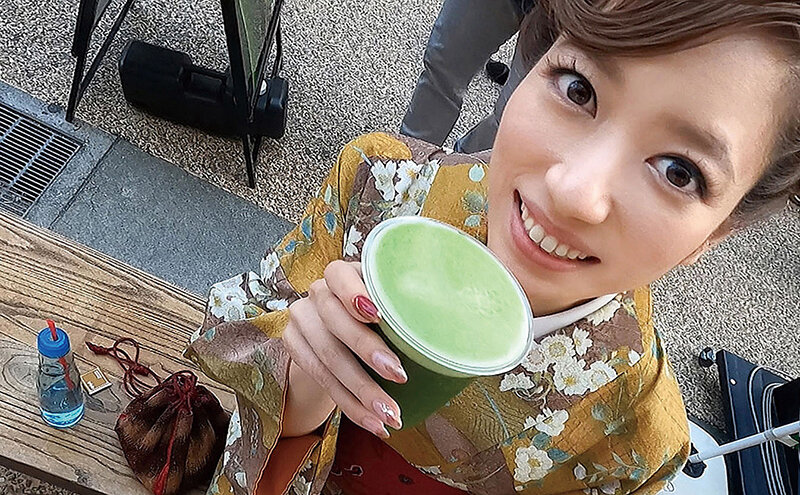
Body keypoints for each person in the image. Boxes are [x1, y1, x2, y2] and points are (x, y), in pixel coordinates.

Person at [186, 2, 800, 494]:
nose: (574, 193)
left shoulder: (637, 432)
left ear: (715, 233)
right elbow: (225, 328)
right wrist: (300, 384)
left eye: (678, 171)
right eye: (579, 88)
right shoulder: (378, 186)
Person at [400, 0, 533, 153]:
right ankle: (407, 157)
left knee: (512, 116)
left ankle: (464, 166)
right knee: (444, 68)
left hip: (557, 22)